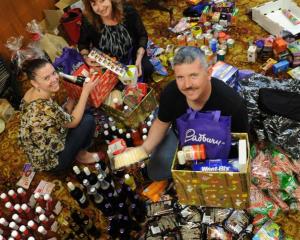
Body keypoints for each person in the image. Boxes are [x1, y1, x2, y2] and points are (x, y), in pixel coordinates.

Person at [141, 46, 249, 181]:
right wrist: (144, 149)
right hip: (183, 139)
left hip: (219, 147)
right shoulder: (170, 93)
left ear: (209, 73)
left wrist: (220, 168)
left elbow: (242, 145)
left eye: (193, 76)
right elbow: (162, 123)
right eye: (180, 77)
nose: (187, 85)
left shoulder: (233, 104)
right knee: (155, 173)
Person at [18, 59, 102, 173]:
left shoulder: (30, 93)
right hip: (54, 161)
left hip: (39, 149)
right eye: (46, 78)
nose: (54, 79)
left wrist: (70, 102)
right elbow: (73, 122)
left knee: (78, 108)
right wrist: (85, 92)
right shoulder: (45, 107)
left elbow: (52, 118)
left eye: (53, 73)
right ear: (34, 83)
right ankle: (81, 154)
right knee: (87, 119)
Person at [78, 0, 154, 82]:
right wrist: (86, 57)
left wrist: (139, 58)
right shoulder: (88, 20)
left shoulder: (128, 11)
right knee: (111, 85)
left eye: (102, 0)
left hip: (132, 54)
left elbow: (142, 35)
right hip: (108, 62)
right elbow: (83, 44)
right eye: (94, 4)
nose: (100, 8)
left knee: (146, 69)